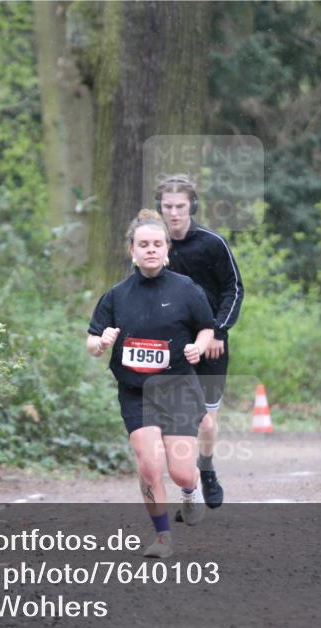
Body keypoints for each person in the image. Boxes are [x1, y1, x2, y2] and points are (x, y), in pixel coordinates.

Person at [87, 209, 216, 558]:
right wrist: (101, 343)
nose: (151, 250)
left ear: (167, 250)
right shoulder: (116, 295)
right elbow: (92, 339)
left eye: (157, 244)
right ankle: (162, 537)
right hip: (136, 392)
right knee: (148, 464)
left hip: (177, 388)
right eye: (143, 244)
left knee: (182, 474)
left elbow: (207, 327)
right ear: (132, 250)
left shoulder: (186, 289)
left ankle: (191, 493)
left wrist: (198, 347)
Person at [155, 175, 243, 511]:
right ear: (159, 207)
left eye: (180, 206)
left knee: (206, 420)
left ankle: (206, 469)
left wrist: (218, 330)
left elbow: (233, 289)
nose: (174, 213)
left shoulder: (211, 243)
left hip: (212, 343)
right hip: (171, 345)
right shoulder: (155, 244)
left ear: (192, 205)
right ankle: (185, 482)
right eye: (167, 207)